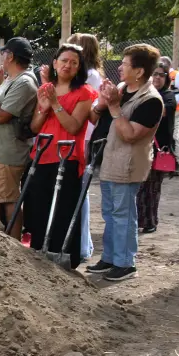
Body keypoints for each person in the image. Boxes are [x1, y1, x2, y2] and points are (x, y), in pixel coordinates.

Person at [87, 44, 164, 281]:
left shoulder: (151, 101)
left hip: (128, 164)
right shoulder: (122, 88)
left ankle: (126, 263)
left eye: (125, 63)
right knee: (110, 213)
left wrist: (114, 107)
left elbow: (130, 134)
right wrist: (103, 101)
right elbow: (94, 115)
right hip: (111, 160)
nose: (119, 67)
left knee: (124, 214)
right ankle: (110, 257)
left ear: (139, 71)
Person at [23, 44, 96, 269]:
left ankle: (63, 254)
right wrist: (44, 107)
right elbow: (35, 127)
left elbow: (74, 127)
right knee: (38, 207)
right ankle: (38, 250)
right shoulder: (47, 88)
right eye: (64, 60)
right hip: (42, 155)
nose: (68, 65)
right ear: (55, 63)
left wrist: (55, 104)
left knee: (63, 208)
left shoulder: (83, 92)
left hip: (67, 156)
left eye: (74, 63)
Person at [0, 37, 39, 238]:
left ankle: (14, 244)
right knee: (5, 200)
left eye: (3, 53)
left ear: (11, 56)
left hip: (9, 152)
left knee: (10, 199)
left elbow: (2, 116)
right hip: (1, 150)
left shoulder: (24, 82)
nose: (1, 57)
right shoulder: (12, 79)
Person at [67, 33, 104, 260]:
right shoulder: (92, 75)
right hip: (84, 135)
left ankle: (82, 245)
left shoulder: (89, 77)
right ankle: (83, 243)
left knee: (81, 189)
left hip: (84, 137)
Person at [135, 59, 178, 234]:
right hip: (142, 146)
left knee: (152, 188)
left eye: (161, 74)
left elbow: (160, 111)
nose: (157, 78)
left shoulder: (168, 96)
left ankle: (150, 221)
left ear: (167, 78)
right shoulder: (145, 93)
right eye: (154, 74)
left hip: (159, 150)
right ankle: (140, 219)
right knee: (140, 187)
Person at [159, 55, 179, 163]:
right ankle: (166, 160)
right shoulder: (160, 75)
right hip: (164, 110)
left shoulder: (177, 75)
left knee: (174, 135)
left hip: (176, 110)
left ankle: (176, 161)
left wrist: (175, 99)